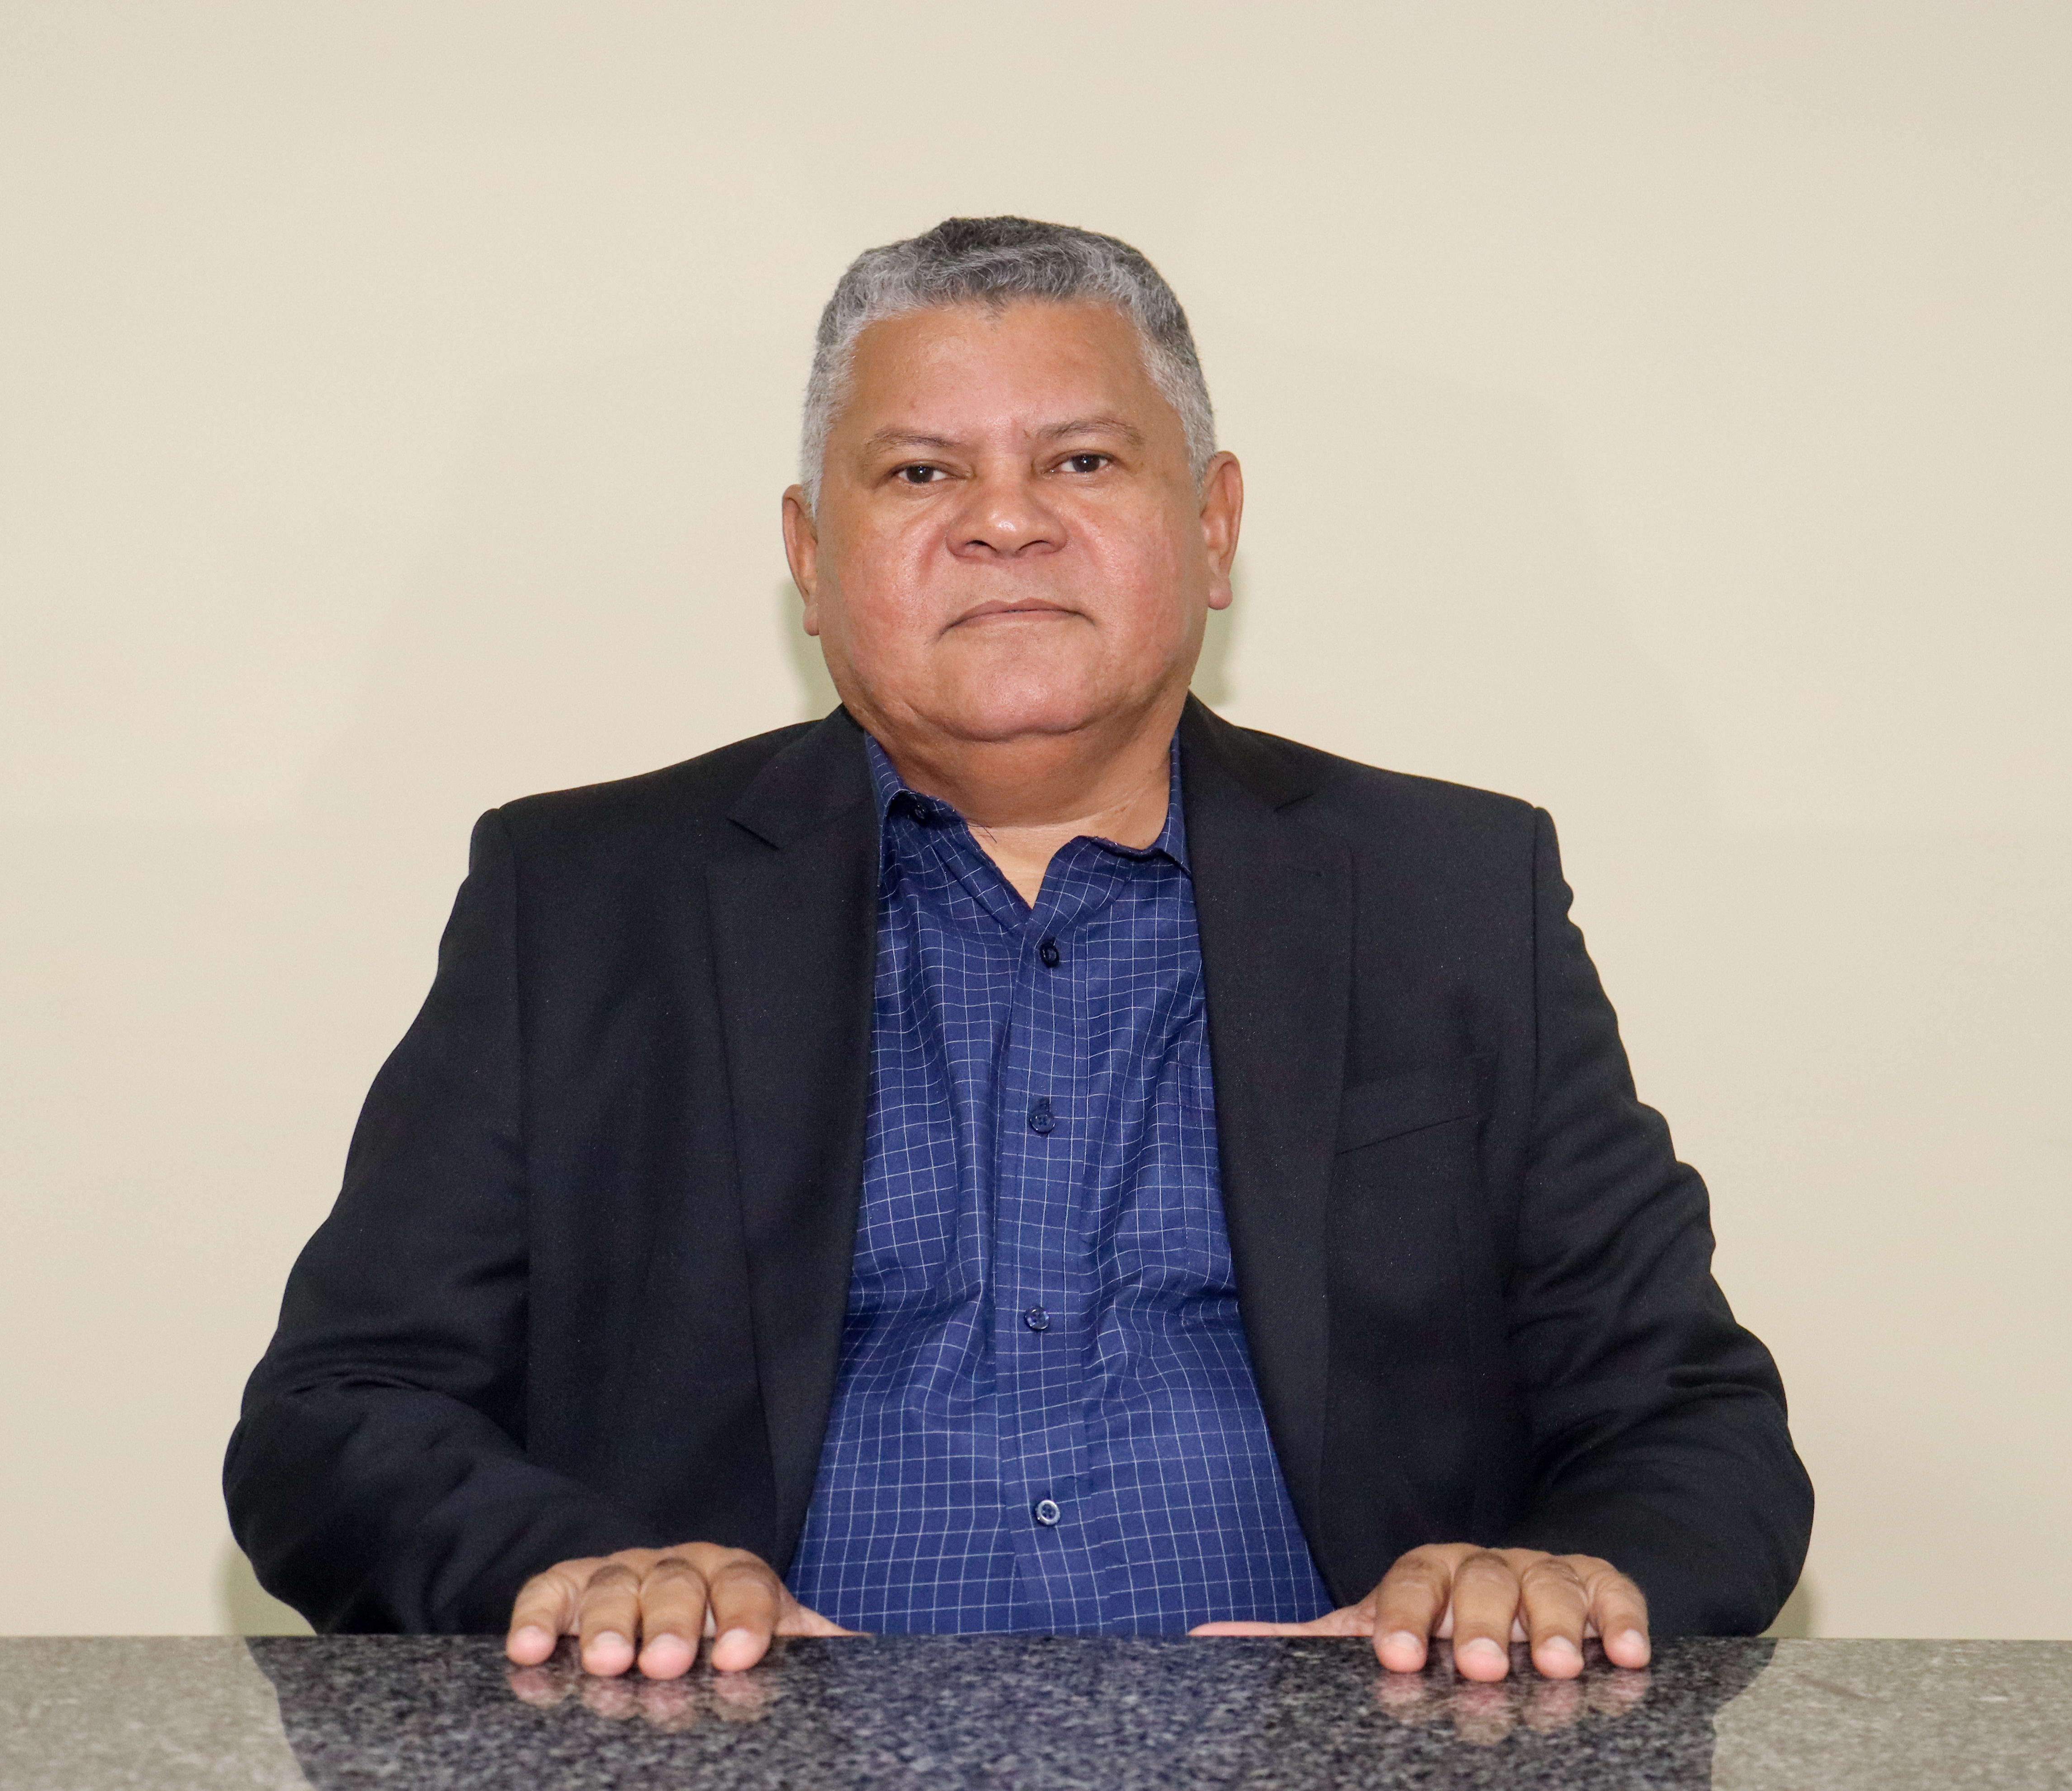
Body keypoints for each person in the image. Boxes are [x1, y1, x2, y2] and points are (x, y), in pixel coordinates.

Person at [226, 216, 1811, 1688]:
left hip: (1344, 1748)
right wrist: (576, 1574)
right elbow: (336, 1419)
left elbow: (1694, 1426)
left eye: (1082, 460)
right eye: (920, 473)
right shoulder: (582, 898)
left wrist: (1549, 1579)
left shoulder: (1447, 892)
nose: (1003, 521)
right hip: (744, 1756)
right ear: (808, 555)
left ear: (1211, 526)